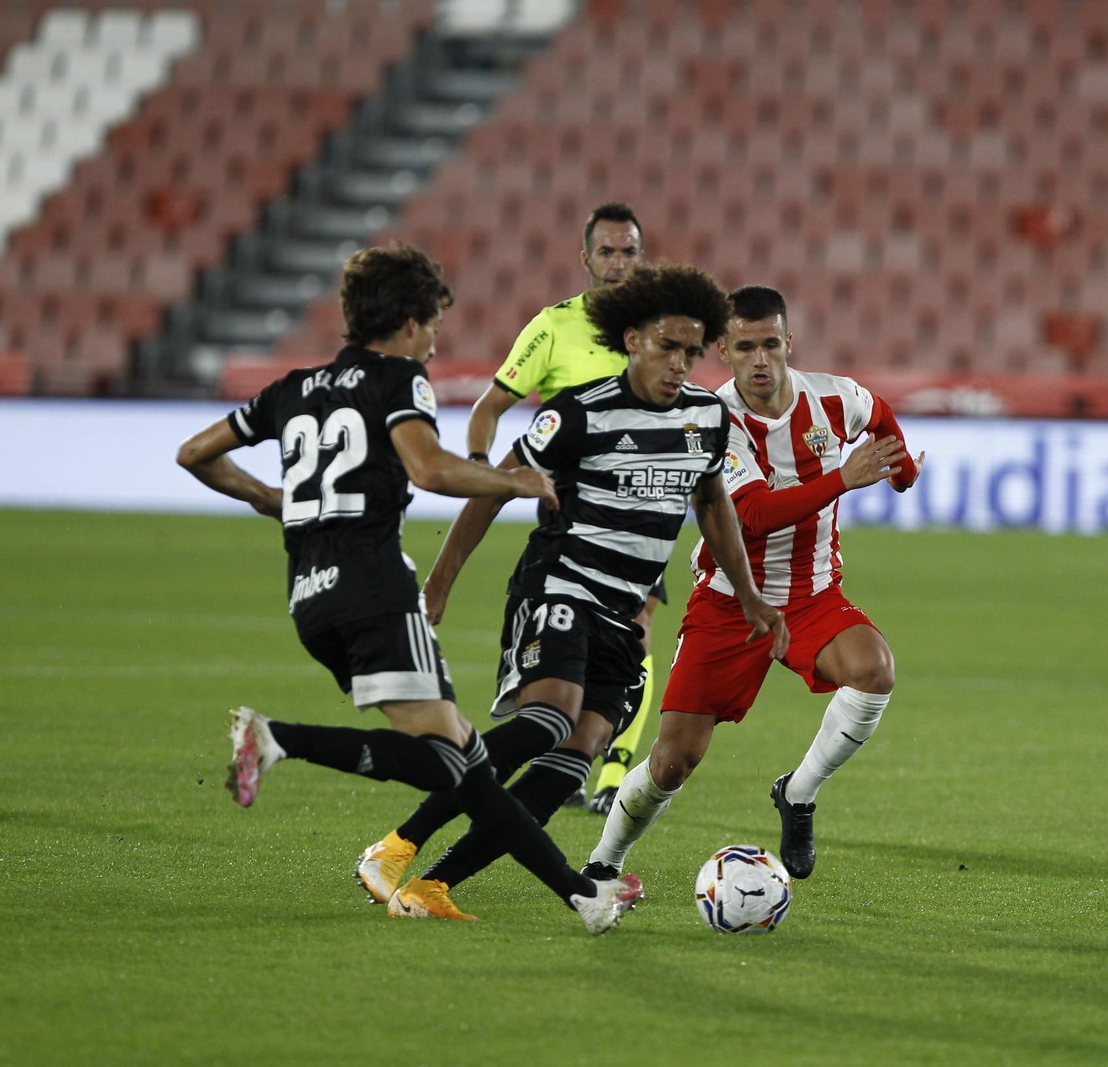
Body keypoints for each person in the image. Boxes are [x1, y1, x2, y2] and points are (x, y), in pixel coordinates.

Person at [174, 242, 641, 934]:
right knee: (448, 760)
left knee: (467, 761)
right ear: (409, 322)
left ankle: (580, 896)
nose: (433, 345)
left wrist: (273, 498)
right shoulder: (398, 378)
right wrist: (510, 479)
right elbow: (428, 468)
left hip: (310, 597)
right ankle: (277, 737)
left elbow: (194, 453)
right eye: (433, 328)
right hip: (375, 590)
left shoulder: (291, 388)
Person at [355, 265, 789, 920]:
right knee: (549, 719)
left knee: (572, 760)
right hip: (560, 584)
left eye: (692, 351)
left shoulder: (706, 417)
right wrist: (439, 584)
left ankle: (431, 886)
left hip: (622, 611)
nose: (680, 363)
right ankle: (396, 845)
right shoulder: (578, 412)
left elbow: (710, 499)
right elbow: (495, 489)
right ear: (632, 339)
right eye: (667, 346)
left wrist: (750, 594)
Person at [583, 284, 923, 885]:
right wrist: (843, 479)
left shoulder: (833, 398)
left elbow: (879, 416)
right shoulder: (712, 420)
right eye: (745, 347)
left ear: (789, 342)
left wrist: (904, 472)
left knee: (874, 671)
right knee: (673, 761)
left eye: (770, 344)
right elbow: (752, 515)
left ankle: (798, 793)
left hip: (812, 594)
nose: (760, 359)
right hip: (730, 601)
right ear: (723, 350)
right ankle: (603, 864)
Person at [456, 201, 658, 816]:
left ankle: (612, 774)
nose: (618, 263)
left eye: (628, 251)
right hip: (569, 515)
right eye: (607, 251)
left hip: (640, 511)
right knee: (570, 652)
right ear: (585, 258)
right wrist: (481, 467)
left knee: (639, 631)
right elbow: (490, 407)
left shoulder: (655, 329)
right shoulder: (552, 328)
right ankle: (561, 761)